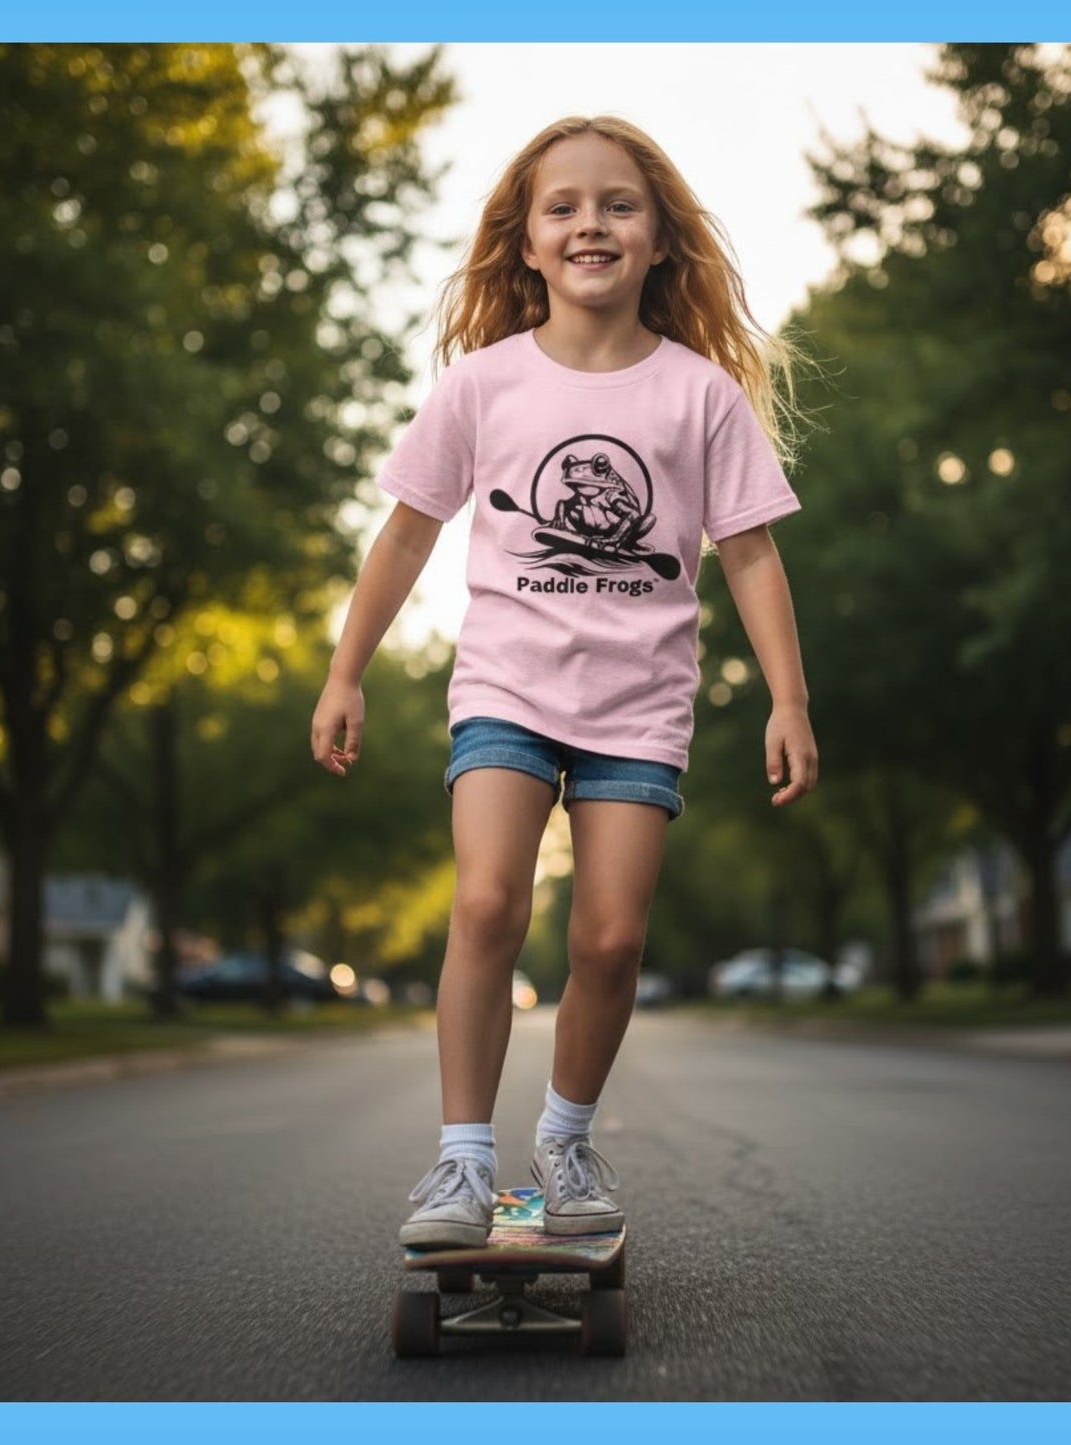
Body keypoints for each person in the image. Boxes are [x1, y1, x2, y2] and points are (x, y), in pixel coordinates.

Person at [310, 115, 819, 1247]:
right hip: (505, 688)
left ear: (658, 243)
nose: (590, 220)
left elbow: (749, 553)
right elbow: (401, 538)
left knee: (607, 940)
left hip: (638, 708)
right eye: (563, 206)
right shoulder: (481, 387)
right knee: (486, 900)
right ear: (527, 244)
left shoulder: (698, 395)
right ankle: (458, 1165)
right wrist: (345, 671)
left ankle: (566, 1135)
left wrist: (786, 699)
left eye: (618, 203)